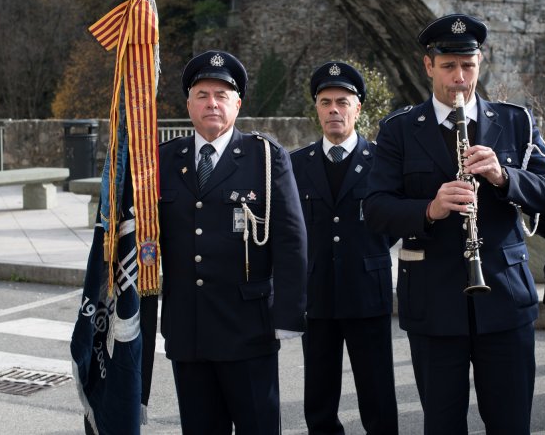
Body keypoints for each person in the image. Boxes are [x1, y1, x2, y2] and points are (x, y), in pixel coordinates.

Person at [363, 13, 545, 433]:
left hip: (505, 301)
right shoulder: (399, 130)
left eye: (468, 66)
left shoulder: (515, 121)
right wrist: (429, 209)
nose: (459, 78)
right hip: (433, 303)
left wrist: (504, 177)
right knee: (442, 424)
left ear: (480, 63)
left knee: (510, 423)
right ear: (428, 66)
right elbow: (376, 209)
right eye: (448, 66)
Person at [158, 50, 308, 435]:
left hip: (248, 330)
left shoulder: (265, 157)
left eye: (221, 95)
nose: (212, 103)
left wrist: (288, 318)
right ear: (188, 103)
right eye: (203, 94)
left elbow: (291, 240)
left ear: (237, 104)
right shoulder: (163, 160)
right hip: (188, 328)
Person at [290, 61, 398, 435]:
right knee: (318, 395)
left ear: (358, 108)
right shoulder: (296, 164)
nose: (334, 109)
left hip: (367, 291)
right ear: (316, 109)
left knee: (378, 392)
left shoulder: (382, 161)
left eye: (342, 101)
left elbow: (392, 223)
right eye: (325, 102)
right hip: (317, 294)